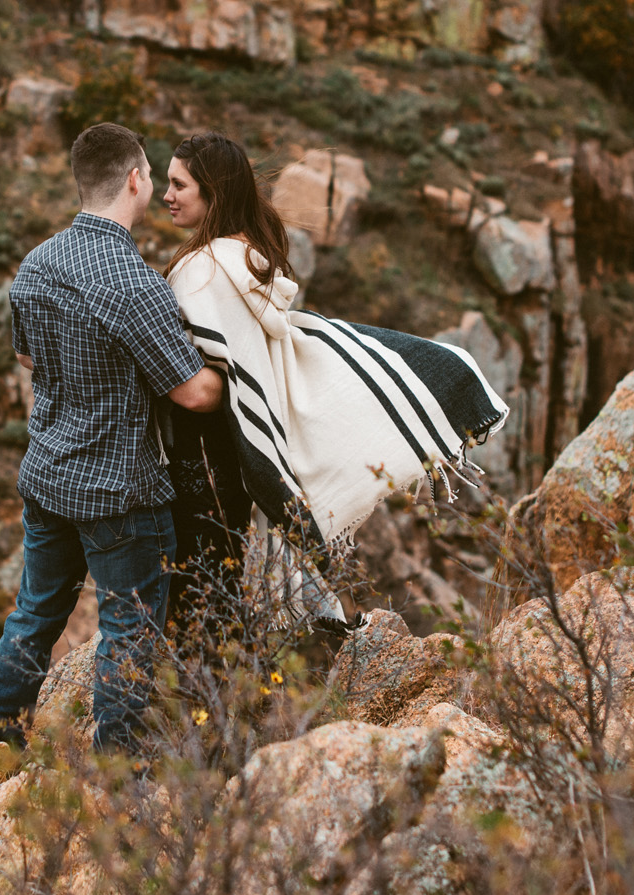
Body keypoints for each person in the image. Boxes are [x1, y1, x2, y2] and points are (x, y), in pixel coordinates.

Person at [159, 132, 510, 629]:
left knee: (194, 607)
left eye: (179, 185)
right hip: (233, 470)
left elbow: (213, 381)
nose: (167, 195)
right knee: (222, 597)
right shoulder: (251, 258)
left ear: (212, 192)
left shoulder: (200, 270)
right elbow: (252, 370)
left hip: (201, 462)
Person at [0, 122, 225, 753]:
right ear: (135, 180)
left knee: (34, 616)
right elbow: (193, 393)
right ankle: (119, 777)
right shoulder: (133, 282)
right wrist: (243, 374)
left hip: (49, 476)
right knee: (128, 633)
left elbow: (28, 358)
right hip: (120, 491)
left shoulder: (36, 262)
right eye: (154, 177)